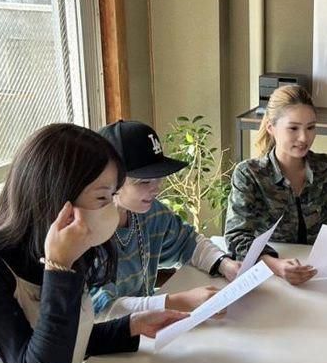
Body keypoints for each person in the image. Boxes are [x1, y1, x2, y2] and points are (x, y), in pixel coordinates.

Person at [0, 124, 187, 363]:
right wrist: (59, 267)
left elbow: (64, 340)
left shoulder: (71, 247)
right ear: (58, 199)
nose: (113, 209)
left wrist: (130, 326)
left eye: (113, 195)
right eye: (102, 198)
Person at [224, 85, 327, 285]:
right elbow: (236, 238)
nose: (304, 138)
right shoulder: (249, 174)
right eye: (293, 128)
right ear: (271, 127)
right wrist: (275, 265)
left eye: (310, 127)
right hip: (270, 280)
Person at [91, 120, 241, 320]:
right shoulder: (89, 234)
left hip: (146, 329)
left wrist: (225, 264)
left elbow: (188, 242)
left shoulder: (150, 212)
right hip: (109, 337)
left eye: (158, 177)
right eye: (144, 181)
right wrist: (177, 301)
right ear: (109, 181)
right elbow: (102, 311)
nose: (156, 188)